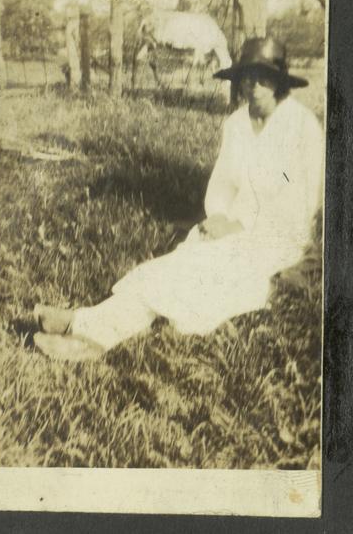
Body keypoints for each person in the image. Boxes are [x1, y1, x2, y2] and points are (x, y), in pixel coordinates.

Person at [33, 36, 324, 362]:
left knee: (201, 269)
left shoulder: (302, 126)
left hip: (277, 236)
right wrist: (218, 216)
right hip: (230, 225)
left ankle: (88, 332)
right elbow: (224, 185)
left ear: (281, 80)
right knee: (176, 264)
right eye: (248, 76)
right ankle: (85, 324)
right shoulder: (237, 124)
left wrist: (241, 227)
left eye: (265, 76)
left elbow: (300, 204)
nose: (255, 85)